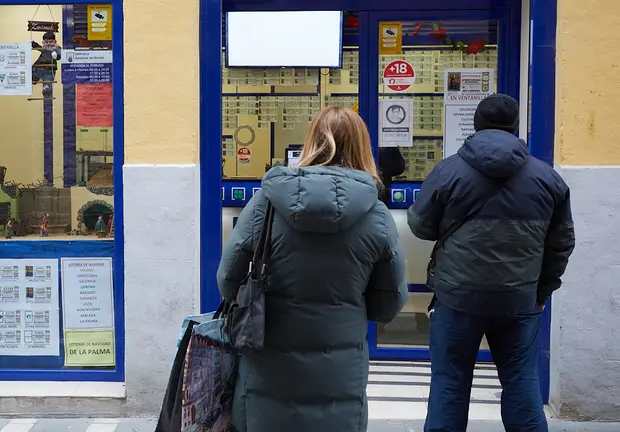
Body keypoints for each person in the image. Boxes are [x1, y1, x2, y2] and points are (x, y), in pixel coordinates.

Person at [218, 105, 409, 432]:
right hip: (340, 368)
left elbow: (228, 278)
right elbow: (390, 301)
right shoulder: (376, 214)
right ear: (363, 148)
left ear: (311, 143)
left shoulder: (265, 204)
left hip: (267, 357)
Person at [407, 94, 575, 432]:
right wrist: (541, 291)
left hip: (457, 297)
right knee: (521, 382)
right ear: (515, 128)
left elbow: (420, 226)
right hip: (520, 299)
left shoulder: (448, 171)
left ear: (477, 125)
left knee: (449, 384)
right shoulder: (547, 178)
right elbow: (561, 243)